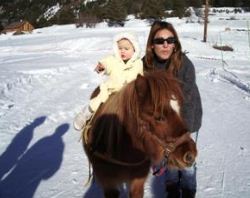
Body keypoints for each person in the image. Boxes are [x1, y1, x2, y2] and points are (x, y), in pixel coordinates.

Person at [143, 21, 202, 198]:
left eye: (170, 39)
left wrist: (186, 132)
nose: (166, 44)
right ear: (152, 45)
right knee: (167, 158)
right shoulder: (146, 65)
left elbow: (189, 101)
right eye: (160, 41)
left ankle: (189, 188)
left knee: (186, 158)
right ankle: (172, 187)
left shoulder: (185, 65)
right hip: (162, 123)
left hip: (186, 120)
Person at [74, 32, 143, 131]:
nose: (122, 51)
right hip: (112, 91)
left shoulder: (138, 63)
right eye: (120, 48)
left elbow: (141, 76)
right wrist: (102, 66)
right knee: (98, 101)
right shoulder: (113, 60)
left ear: (134, 50)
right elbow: (106, 63)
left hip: (130, 93)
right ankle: (85, 114)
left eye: (126, 49)